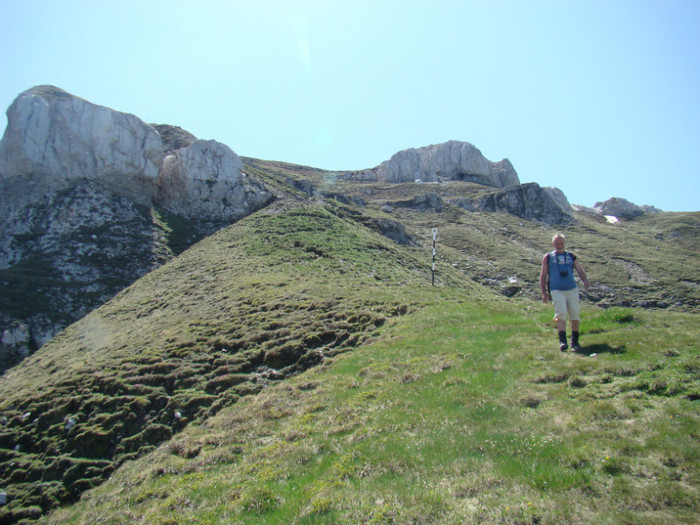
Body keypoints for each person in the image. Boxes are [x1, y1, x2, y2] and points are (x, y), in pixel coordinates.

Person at [540, 233, 590, 351]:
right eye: (557, 244)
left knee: (575, 315)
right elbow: (543, 275)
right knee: (561, 314)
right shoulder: (548, 257)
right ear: (553, 244)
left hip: (571, 289)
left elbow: (579, 269)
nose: (559, 246)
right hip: (556, 290)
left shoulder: (571, 256)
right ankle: (563, 342)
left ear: (564, 244)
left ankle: (575, 342)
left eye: (561, 243)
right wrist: (544, 293)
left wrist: (585, 280)